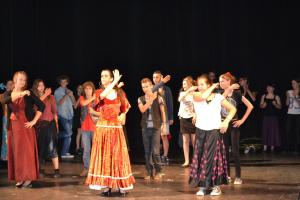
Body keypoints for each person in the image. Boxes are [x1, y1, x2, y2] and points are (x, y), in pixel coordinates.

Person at [86, 69, 135, 197]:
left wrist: (123, 115)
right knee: (105, 157)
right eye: (102, 76)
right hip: (103, 128)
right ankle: (106, 186)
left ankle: (121, 185)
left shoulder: (120, 93)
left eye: (106, 76)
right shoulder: (99, 92)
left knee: (118, 156)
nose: (103, 78)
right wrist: (115, 82)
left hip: (116, 129)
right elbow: (102, 97)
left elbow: (126, 107)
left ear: (111, 78)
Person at [189, 74, 236, 196]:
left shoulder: (218, 97)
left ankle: (215, 186)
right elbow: (203, 96)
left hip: (214, 131)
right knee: (201, 158)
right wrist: (212, 87)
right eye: (198, 84)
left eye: (202, 84)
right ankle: (203, 186)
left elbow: (232, 109)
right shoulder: (196, 95)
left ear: (208, 85)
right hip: (200, 131)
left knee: (212, 159)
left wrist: (225, 121)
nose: (199, 87)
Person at [1, 71, 45, 188]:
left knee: (27, 154)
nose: (23, 82)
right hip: (13, 129)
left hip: (26, 127)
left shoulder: (29, 93)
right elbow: (5, 101)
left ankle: (29, 178)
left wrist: (34, 120)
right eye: (20, 79)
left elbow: (42, 105)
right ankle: (20, 178)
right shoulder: (8, 93)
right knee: (17, 154)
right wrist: (21, 94)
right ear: (15, 80)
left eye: (24, 80)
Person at [219, 72, 253, 185]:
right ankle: (227, 175)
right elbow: (217, 101)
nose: (220, 83)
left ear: (229, 81)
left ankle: (238, 176)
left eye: (222, 81)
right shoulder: (219, 93)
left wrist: (242, 120)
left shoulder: (237, 93)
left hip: (233, 125)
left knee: (234, 150)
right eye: (219, 81)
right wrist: (227, 90)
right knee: (224, 152)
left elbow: (250, 106)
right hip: (223, 125)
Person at [138, 78, 166, 180]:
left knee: (155, 151)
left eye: (147, 86)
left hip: (156, 127)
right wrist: (150, 100)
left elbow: (162, 112)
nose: (145, 89)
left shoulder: (159, 97)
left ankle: (158, 171)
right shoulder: (140, 99)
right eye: (143, 87)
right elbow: (142, 109)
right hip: (145, 128)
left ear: (151, 86)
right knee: (147, 151)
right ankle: (149, 172)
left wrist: (164, 125)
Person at [32, 79, 60, 178]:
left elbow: (54, 112)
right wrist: (45, 94)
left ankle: (57, 170)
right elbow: (36, 107)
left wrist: (57, 125)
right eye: (39, 85)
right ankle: (41, 170)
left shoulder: (51, 97)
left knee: (53, 147)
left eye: (42, 85)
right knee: (41, 148)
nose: (41, 87)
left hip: (50, 124)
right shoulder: (34, 98)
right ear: (36, 87)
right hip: (39, 125)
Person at [153, 70, 173, 165]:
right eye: (154, 77)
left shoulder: (167, 89)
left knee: (164, 137)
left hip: (164, 116)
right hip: (154, 117)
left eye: (157, 77)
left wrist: (171, 117)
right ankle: (156, 156)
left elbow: (170, 103)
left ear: (161, 77)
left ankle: (165, 156)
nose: (155, 79)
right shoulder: (153, 88)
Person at [54, 75, 76, 158]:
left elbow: (74, 103)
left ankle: (64, 153)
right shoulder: (57, 91)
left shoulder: (69, 91)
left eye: (65, 82)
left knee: (69, 134)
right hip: (63, 115)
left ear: (67, 82)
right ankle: (55, 135)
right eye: (62, 82)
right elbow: (58, 103)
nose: (63, 83)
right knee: (69, 132)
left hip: (70, 115)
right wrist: (66, 95)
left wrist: (71, 95)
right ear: (60, 82)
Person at [178, 76, 197, 167]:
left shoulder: (195, 94)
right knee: (185, 140)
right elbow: (179, 99)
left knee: (194, 141)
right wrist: (188, 91)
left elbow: (197, 106)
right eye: (183, 84)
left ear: (190, 84)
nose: (183, 85)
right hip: (183, 118)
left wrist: (195, 115)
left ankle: (196, 160)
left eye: (185, 84)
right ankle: (186, 161)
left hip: (192, 118)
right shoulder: (182, 93)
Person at [78, 81, 96, 177]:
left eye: (89, 88)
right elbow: (83, 103)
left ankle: (95, 169)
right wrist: (92, 98)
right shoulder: (82, 98)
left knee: (95, 149)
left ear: (93, 89)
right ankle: (86, 168)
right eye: (86, 89)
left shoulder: (96, 99)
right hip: (85, 128)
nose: (87, 90)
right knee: (86, 150)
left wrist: (94, 98)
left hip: (95, 127)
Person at [260, 83, 281, 152]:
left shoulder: (276, 96)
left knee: (273, 131)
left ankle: (272, 147)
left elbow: (280, 107)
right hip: (266, 116)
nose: (268, 89)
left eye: (270, 87)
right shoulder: (264, 96)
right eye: (267, 87)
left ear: (273, 88)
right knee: (265, 131)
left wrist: (275, 105)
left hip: (273, 117)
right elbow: (260, 106)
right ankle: (265, 146)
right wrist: (263, 105)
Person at [285, 78, 300, 153]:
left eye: (294, 83)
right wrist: (288, 97)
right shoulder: (289, 91)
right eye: (291, 83)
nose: (292, 85)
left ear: (298, 83)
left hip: (298, 114)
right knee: (288, 131)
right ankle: (288, 147)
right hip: (290, 113)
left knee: (297, 131)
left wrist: (295, 96)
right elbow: (287, 104)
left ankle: (296, 148)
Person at [0, 80, 13, 161]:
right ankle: (5, 156)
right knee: (6, 137)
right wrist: (7, 90)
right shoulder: (2, 95)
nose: (12, 85)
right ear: (6, 85)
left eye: (13, 84)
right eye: (9, 84)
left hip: (16, 118)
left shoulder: (16, 94)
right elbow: (4, 101)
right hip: (6, 117)